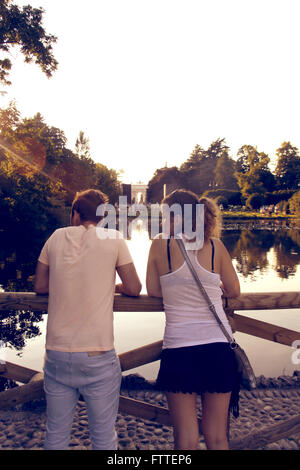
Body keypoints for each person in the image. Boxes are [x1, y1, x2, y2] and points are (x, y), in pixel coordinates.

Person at [34, 189, 142, 450]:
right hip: (97, 355)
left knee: (56, 435)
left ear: (75, 214)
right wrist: (112, 286)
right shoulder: (113, 238)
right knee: (103, 437)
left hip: (58, 354)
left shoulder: (56, 237)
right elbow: (134, 288)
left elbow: (40, 286)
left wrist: (65, 282)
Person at [146, 189, 241, 450]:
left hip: (180, 349)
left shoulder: (159, 245)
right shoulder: (214, 246)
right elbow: (234, 290)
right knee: (218, 436)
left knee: (186, 438)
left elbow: (154, 291)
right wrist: (216, 288)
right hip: (218, 348)